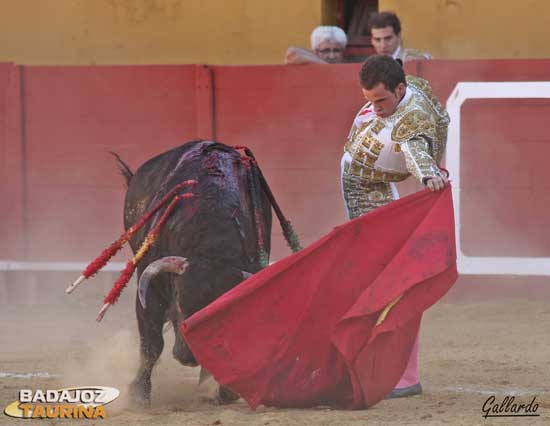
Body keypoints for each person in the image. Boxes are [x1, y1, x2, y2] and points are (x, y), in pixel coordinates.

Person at [340, 55, 449, 397]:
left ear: (399, 89)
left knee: (394, 284)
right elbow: (442, 117)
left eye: (381, 101)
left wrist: (430, 171)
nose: (375, 109)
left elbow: (414, 149)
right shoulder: (412, 85)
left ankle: (402, 374)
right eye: (369, 100)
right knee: (390, 281)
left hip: (369, 192)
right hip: (369, 189)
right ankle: (398, 371)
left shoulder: (410, 122)